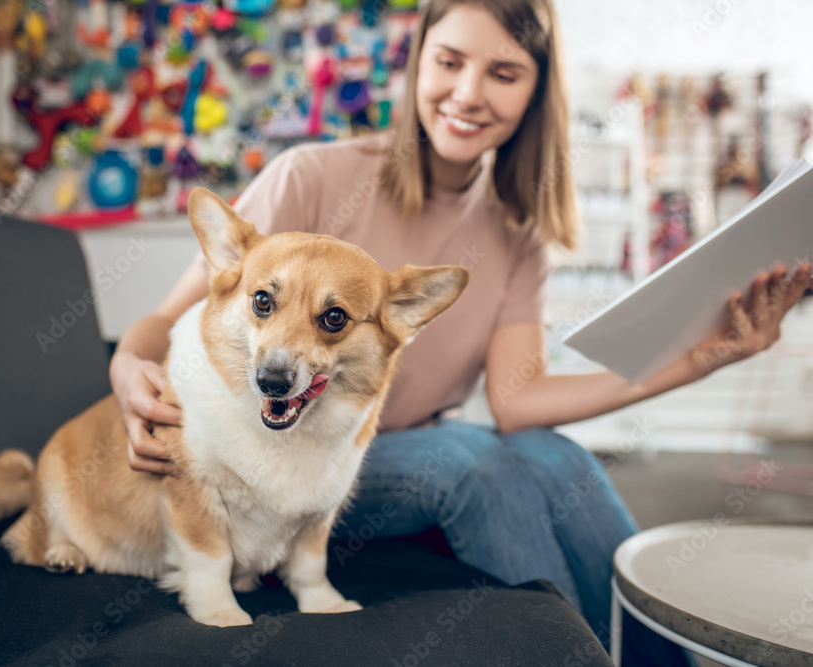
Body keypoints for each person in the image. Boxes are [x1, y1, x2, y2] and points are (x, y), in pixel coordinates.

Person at [109, 0, 811, 662]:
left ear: (536, 92)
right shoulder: (311, 175)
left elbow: (518, 402)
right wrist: (128, 363)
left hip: (393, 446)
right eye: (449, 61)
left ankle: (658, 659)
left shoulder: (518, 233)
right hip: (294, 455)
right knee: (469, 465)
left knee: (555, 456)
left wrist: (698, 360)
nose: (468, 92)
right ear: (419, 63)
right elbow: (168, 322)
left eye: (503, 73)